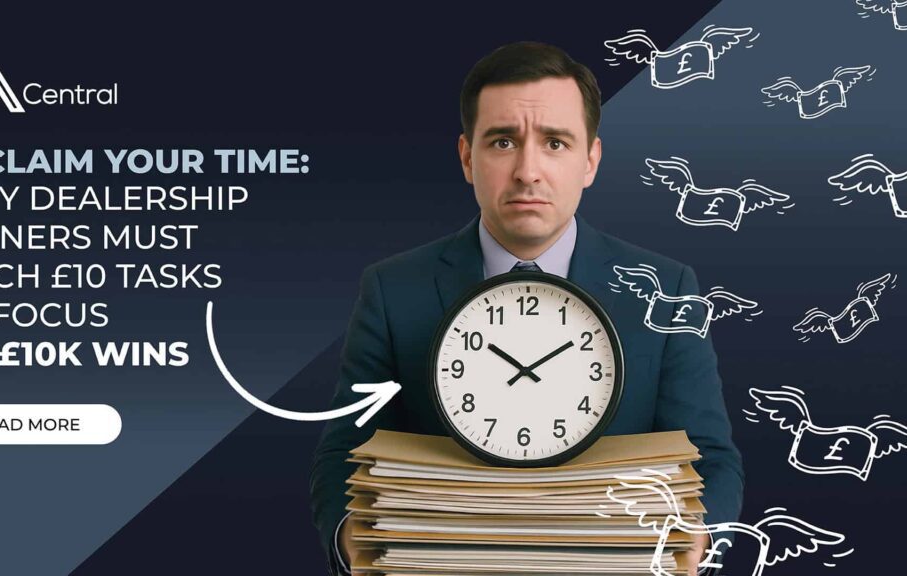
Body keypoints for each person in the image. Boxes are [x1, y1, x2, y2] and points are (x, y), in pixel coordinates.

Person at [310, 41, 744, 576]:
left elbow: (710, 456)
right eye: (503, 141)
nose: (527, 171)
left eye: (556, 142)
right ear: (468, 158)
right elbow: (345, 452)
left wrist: (695, 542)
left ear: (591, 160)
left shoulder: (670, 285)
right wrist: (355, 544)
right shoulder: (392, 290)